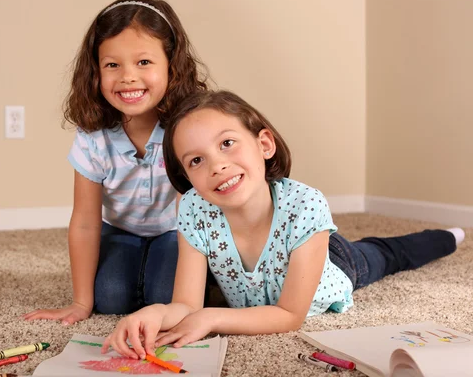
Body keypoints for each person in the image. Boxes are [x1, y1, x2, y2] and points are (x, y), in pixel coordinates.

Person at [102, 90, 465, 359]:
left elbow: (290, 315)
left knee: (386, 255)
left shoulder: (306, 204)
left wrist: (212, 319)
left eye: (227, 143)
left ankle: (449, 235)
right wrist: (154, 312)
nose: (217, 165)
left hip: (333, 263)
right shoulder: (194, 209)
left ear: (264, 144)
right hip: (282, 266)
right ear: (185, 176)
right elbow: (185, 303)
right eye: (196, 160)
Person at [23, 0, 208, 325]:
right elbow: (84, 220)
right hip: (119, 230)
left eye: (144, 63)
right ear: (95, 71)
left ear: (172, 66)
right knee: (109, 297)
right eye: (112, 65)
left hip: (175, 231)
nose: (127, 77)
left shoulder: (185, 127)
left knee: (166, 296)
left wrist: (186, 303)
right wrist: (81, 303)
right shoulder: (93, 135)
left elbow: (192, 217)